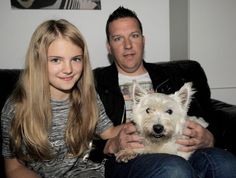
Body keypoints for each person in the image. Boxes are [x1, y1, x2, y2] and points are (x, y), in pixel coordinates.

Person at [93, 6, 236, 178]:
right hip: (129, 157)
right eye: (118, 39)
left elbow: (207, 115)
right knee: (174, 169)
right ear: (109, 46)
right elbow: (77, 136)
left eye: (134, 36)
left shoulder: (174, 77)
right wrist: (110, 144)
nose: (128, 45)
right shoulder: (95, 82)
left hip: (181, 148)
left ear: (143, 40)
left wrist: (210, 138)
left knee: (226, 163)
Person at [1, 19, 122, 178]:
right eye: (56, 60)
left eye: (76, 59)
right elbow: (13, 168)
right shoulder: (16, 108)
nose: (69, 69)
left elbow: (110, 132)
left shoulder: (88, 97)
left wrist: (142, 123)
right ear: (38, 61)